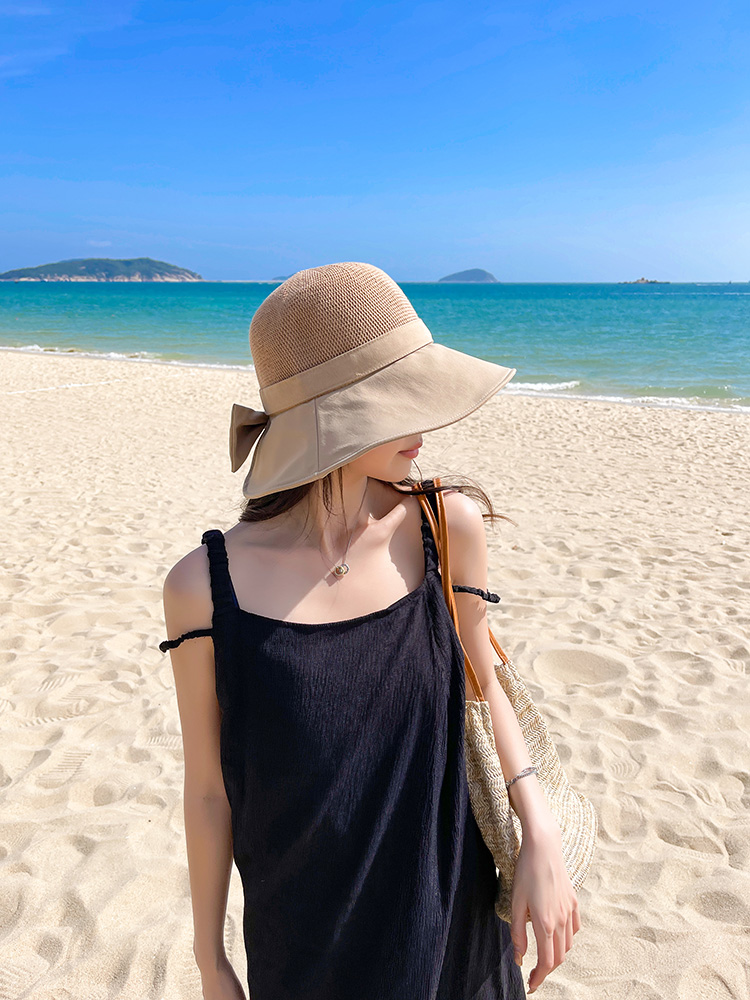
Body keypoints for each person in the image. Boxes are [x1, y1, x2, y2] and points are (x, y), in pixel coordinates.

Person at [161, 262, 580, 1000]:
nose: (425, 427)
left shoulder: (446, 526)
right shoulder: (200, 587)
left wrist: (538, 828)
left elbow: (486, 688)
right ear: (332, 419)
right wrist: (209, 960)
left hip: (455, 932)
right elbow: (207, 791)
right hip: (302, 946)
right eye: (397, 401)